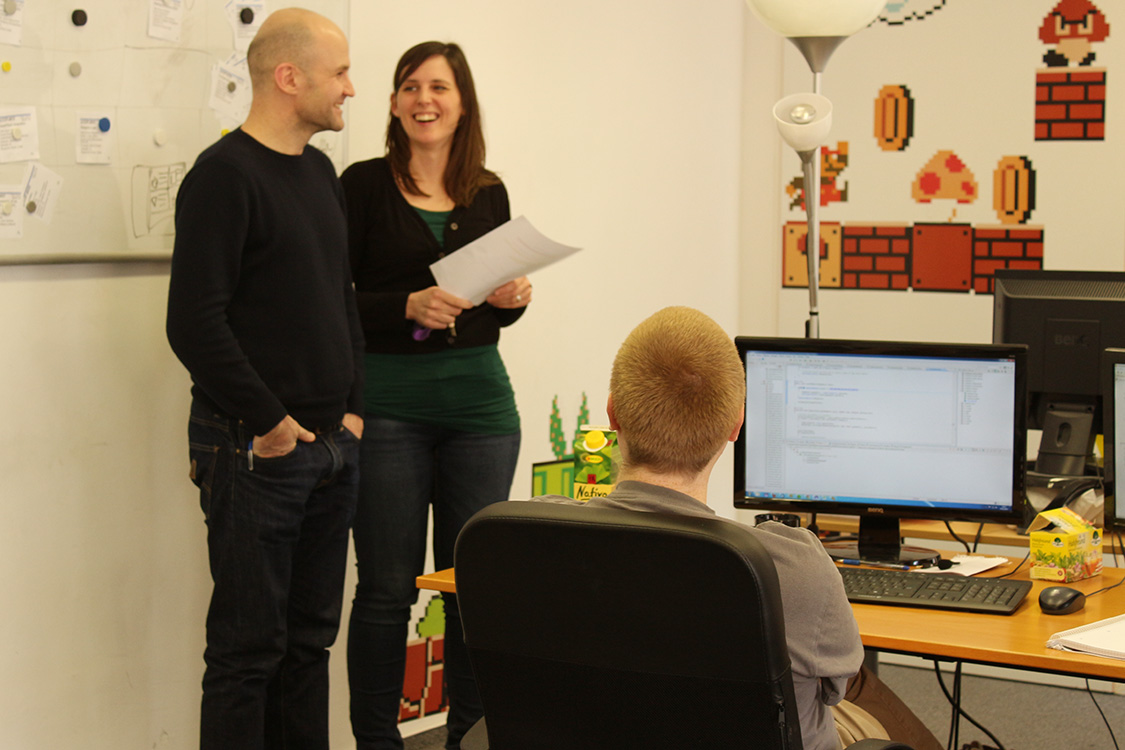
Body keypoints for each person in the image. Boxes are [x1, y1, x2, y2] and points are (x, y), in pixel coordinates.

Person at [535, 307, 943, 750]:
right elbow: (834, 689)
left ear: (612, 413)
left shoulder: (532, 537)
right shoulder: (792, 565)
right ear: (736, 425)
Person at [165, 9, 363, 750]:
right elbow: (193, 324)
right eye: (339, 73)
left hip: (331, 448)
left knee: (308, 646)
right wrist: (271, 422)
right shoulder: (223, 177)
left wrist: (354, 412)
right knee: (247, 655)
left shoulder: (320, 172)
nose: (350, 88)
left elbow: (340, 299)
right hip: (255, 450)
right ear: (289, 77)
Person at [340, 42, 531, 750]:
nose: (425, 100)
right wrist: (404, 307)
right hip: (387, 410)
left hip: (481, 413)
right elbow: (330, 300)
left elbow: (493, 313)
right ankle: (376, 743)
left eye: (440, 87)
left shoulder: (489, 191)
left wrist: (513, 299)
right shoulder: (361, 185)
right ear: (393, 103)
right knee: (387, 589)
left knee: (473, 588)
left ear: (462, 102)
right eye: (411, 87)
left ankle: (466, 739)